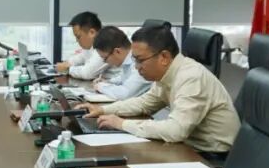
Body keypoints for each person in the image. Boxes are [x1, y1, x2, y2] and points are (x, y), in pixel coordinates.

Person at [80, 25, 240, 153]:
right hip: (190, 146)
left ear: (164, 57)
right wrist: (103, 110)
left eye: (140, 60)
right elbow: (144, 103)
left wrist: (122, 124)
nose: (136, 67)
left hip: (213, 155)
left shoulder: (191, 77)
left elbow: (175, 131)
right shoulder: (167, 74)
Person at [89, 25, 151, 101]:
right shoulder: (128, 61)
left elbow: (125, 94)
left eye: (105, 58)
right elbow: (124, 78)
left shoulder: (140, 62)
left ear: (117, 51)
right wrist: (108, 82)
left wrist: (100, 86)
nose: (105, 62)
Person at [56, 11, 107, 80]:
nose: (77, 40)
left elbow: (87, 73)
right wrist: (67, 63)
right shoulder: (91, 47)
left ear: (92, 32)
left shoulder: (105, 46)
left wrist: (67, 69)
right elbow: (80, 57)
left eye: (78, 37)